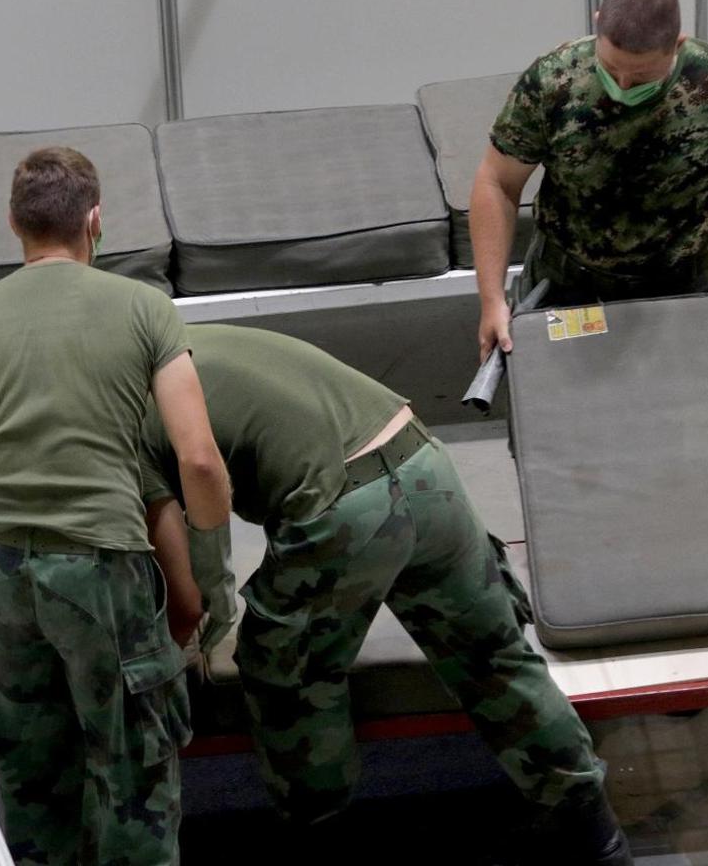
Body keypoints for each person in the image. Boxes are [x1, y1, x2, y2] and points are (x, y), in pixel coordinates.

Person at [138, 324, 632, 865]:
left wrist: (199, 632)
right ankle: (593, 832)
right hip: (423, 460)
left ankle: (321, 834)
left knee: (291, 671)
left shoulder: (125, 408)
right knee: (494, 656)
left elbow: (189, 549)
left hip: (344, 506)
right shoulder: (193, 338)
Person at [0, 146, 232, 865]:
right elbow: (200, 458)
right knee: (131, 771)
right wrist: (212, 577)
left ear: (14, 225)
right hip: (103, 568)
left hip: (4, 574)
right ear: (95, 221)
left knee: (33, 781)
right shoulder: (144, 310)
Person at [470, 0, 708, 361]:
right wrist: (491, 298)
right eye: (611, 70)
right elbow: (497, 182)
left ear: (677, 46)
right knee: (573, 414)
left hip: (689, 284)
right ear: (597, 23)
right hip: (571, 283)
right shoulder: (554, 81)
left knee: (689, 407)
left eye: (642, 76)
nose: (624, 86)